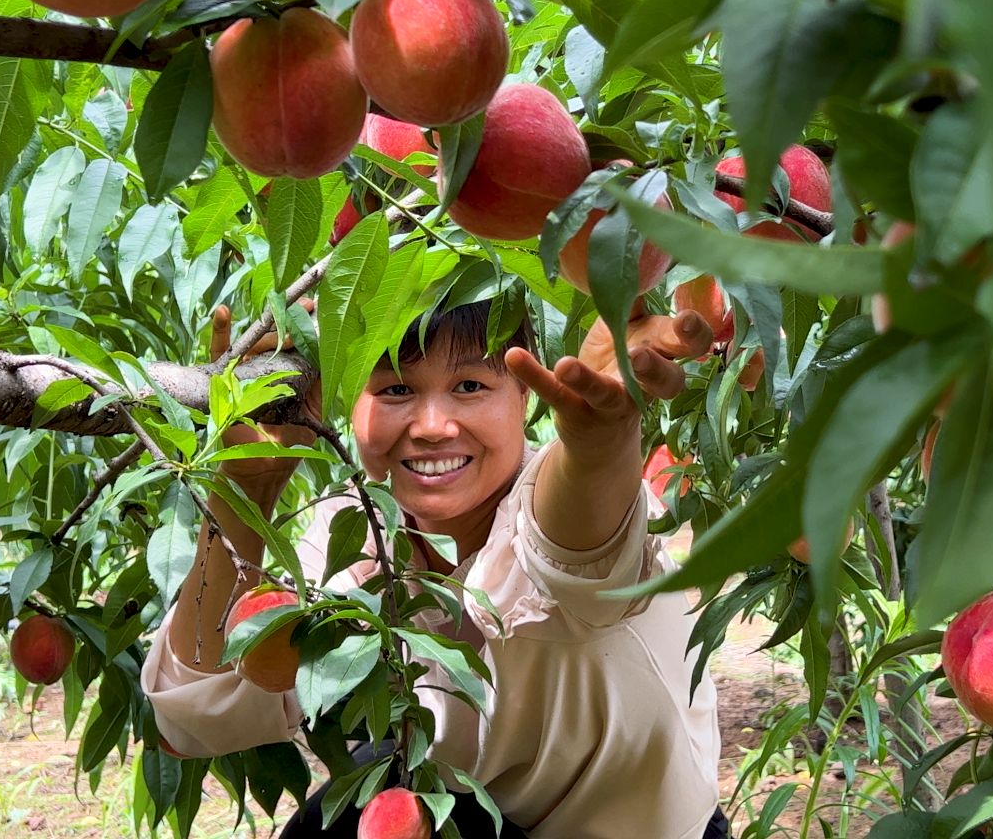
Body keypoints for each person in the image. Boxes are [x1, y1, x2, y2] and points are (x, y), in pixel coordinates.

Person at [141, 299, 726, 838]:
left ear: (524, 396)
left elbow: (576, 548)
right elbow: (197, 722)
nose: (431, 425)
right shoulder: (359, 530)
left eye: (470, 384)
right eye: (395, 389)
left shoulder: (569, 501)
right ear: (349, 403)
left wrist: (601, 443)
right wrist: (245, 488)